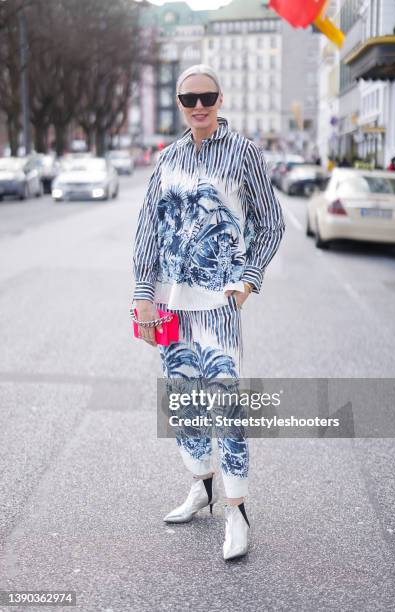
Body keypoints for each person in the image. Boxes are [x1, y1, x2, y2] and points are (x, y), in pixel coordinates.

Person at [131, 64, 285, 560]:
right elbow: (149, 228)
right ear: (179, 103)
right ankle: (202, 485)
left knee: (226, 404)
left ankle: (237, 510)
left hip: (218, 305)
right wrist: (142, 293)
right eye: (189, 98)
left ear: (220, 99)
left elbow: (271, 223)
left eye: (208, 96)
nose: (199, 105)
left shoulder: (243, 153)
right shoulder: (168, 157)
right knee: (183, 402)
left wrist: (248, 281)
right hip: (171, 307)